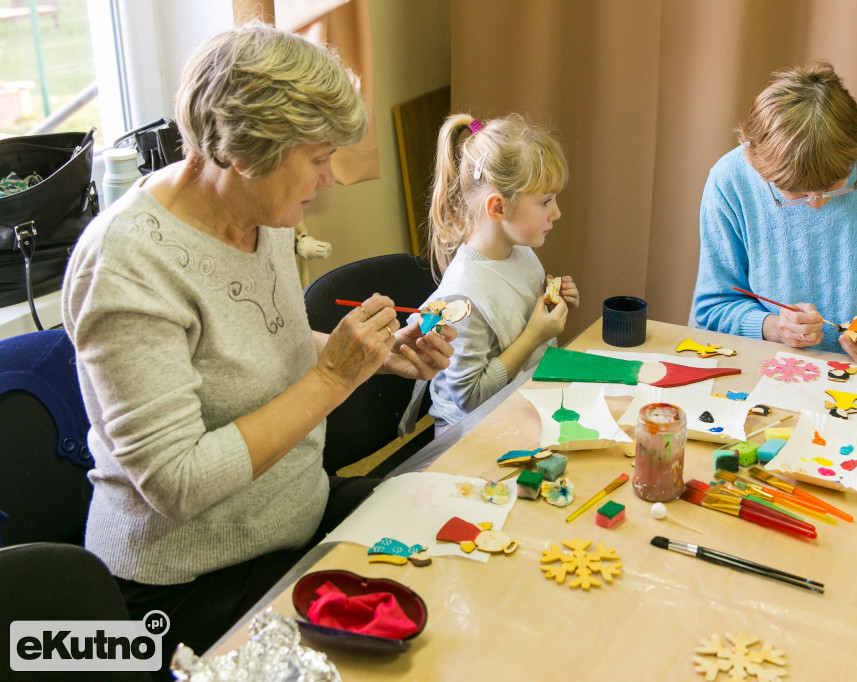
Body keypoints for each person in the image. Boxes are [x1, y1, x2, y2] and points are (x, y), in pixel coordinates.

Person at [61, 23, 455, 674]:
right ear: (245, 152)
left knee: (461, 555)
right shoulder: (128, 269)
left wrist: (374, 354)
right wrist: (333, 378)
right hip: (190, 583)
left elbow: (256, 345)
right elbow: (177, 482)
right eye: (319, 157)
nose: (330, 178)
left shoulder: (260, 213)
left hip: (294, 518)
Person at [691, 61, 857, 366]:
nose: (817, 204)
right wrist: (774, 329)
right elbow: (714, 305)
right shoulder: (730, 180)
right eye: (795, 193)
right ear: (758, 166)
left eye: (834, 186)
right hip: (767, 366)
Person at [420, 113, 578, 432]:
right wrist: (535, 334)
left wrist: (553, 303)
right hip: (471, 436)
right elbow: (471, 397)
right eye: (545, 201)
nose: (557, 212)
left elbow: (513, 321)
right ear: (498, 208)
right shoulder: (464, 297)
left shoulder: (521, 253)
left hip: (521, 407)